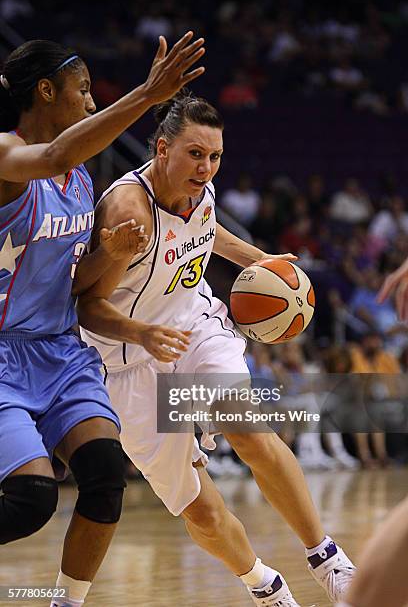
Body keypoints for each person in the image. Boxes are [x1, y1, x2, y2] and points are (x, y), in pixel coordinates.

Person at [78, 91, 355, 606]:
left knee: (248, 427)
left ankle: (328, 560)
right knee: (201, 512)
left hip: (196, 328)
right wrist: (141, 334)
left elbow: (208, 231)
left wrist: (261, 257)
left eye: (215, 156)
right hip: (128, 362)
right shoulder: (128, 211)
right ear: (161, 150)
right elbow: (86, 307)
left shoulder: (198, 189)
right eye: (195, 154)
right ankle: (263, 585)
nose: (207, 168)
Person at [0, 34, 205, 607]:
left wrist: (111, 254)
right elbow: (53, 156)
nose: (92, 103)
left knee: (104, 475)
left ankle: (66, 602)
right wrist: (147, 95)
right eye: (84, 90)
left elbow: (83, 290)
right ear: (45, 91)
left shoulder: (82, 182)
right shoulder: (5, 155)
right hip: (2, 356)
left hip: (60, 351)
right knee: (32, 498)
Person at [336, 257, 408, 607]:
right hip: (349, 404)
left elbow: (392, 386)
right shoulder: (355, 354)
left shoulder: (384, 358)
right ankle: (369, 456)